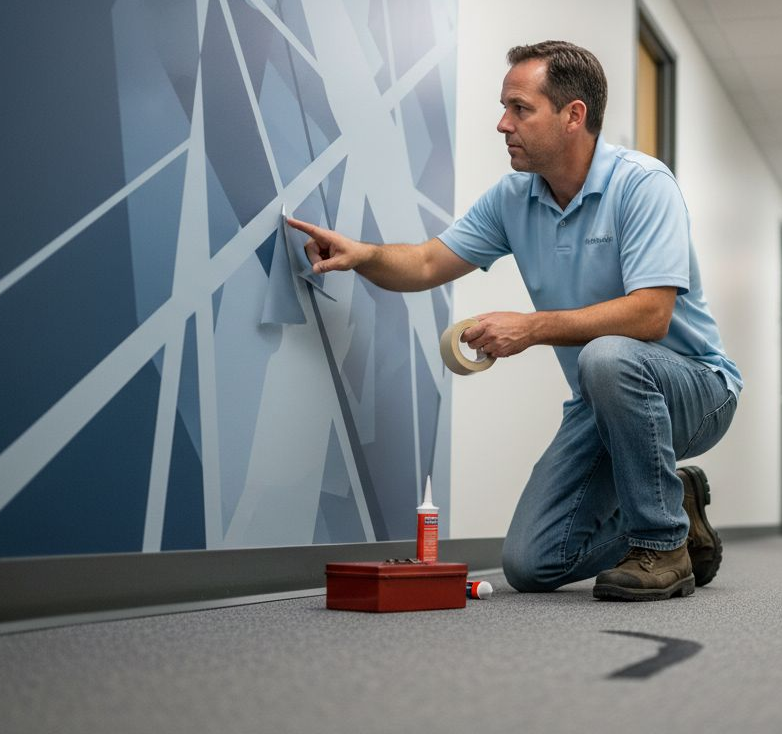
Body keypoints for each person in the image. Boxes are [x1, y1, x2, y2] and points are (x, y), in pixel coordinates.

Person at [287, 40, 741, 601]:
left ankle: (662, 541)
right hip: (605, 398)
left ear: (573, 115)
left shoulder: (642, 185)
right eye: (505, 108)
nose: (503, 124)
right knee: (531, 563)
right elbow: (429, 261)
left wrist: (530, 327)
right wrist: (363, 255)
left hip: (697, 390)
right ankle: (678, 503)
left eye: (520, 108)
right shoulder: (514, 198)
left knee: (607, 354)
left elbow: (651, 314)